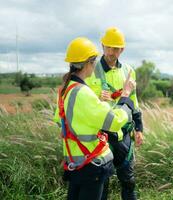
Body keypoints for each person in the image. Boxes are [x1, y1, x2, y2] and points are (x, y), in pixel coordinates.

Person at [55, 37, 136, 200]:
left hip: (74, 161)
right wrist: (125, 96)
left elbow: (60, 120)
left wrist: (99, 106)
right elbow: (115, 122)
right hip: (91, 164)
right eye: (94, 61)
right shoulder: (84, 93)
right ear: (88, 63)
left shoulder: (66, 89)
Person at [85, 27, 143, 200]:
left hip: (123, 134)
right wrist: (96, 97)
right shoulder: (90, 69)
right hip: (100, 135)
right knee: (103, 184)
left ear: (122, 50)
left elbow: (133, 100)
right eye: (108, 47)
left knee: (128, 180)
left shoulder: (129, 71)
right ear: (102, 46)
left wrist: (139, 128)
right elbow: (81, 99)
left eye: (116, 48)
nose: (111, 52)